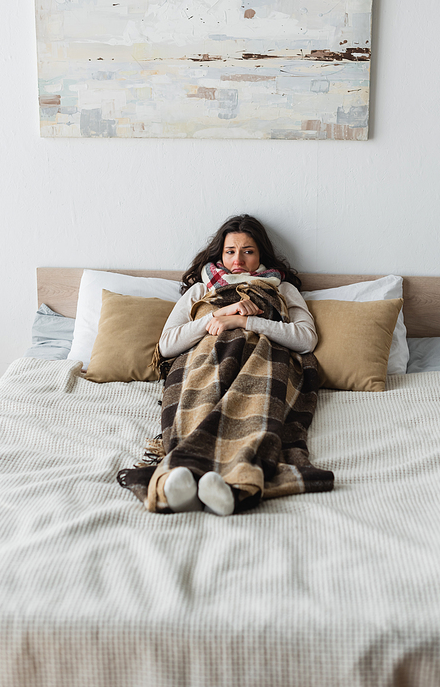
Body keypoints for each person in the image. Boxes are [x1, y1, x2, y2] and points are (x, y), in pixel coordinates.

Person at [118, 215, 334, 515]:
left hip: (262, 361)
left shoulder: (282, 289)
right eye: (230, 251)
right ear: (220, 254)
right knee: (198, 408)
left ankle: (232, 481)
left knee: (255, 413)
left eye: (248, 251)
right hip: (205, 362)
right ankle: (182, 478)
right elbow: (166, 345)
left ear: (260, 255)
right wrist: (219, 316)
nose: (238, 260)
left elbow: (306, 339)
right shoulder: (200, 290)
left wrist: (245, 321)